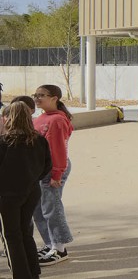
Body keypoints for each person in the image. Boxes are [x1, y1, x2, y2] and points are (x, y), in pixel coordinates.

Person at [0, 101, 51, 279]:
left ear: (8, 118)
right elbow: (46, 166)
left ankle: (21, 274)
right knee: (25, 232)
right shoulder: (39, 140)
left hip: (7, 195)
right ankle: (32, 272)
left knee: (11, 235)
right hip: (31, 191)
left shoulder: (4, 142)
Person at [32, 85, 75, 266]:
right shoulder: (41, 118)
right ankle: (50, 244)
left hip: (53, 168)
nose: (37, 98)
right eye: (35, 95)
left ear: (54, 98)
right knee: (38, 209)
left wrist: (56, 174)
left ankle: (59, 248)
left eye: (41, 95)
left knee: (51, 208)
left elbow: (58, 148)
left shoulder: (57, 120)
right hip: (40, 168)